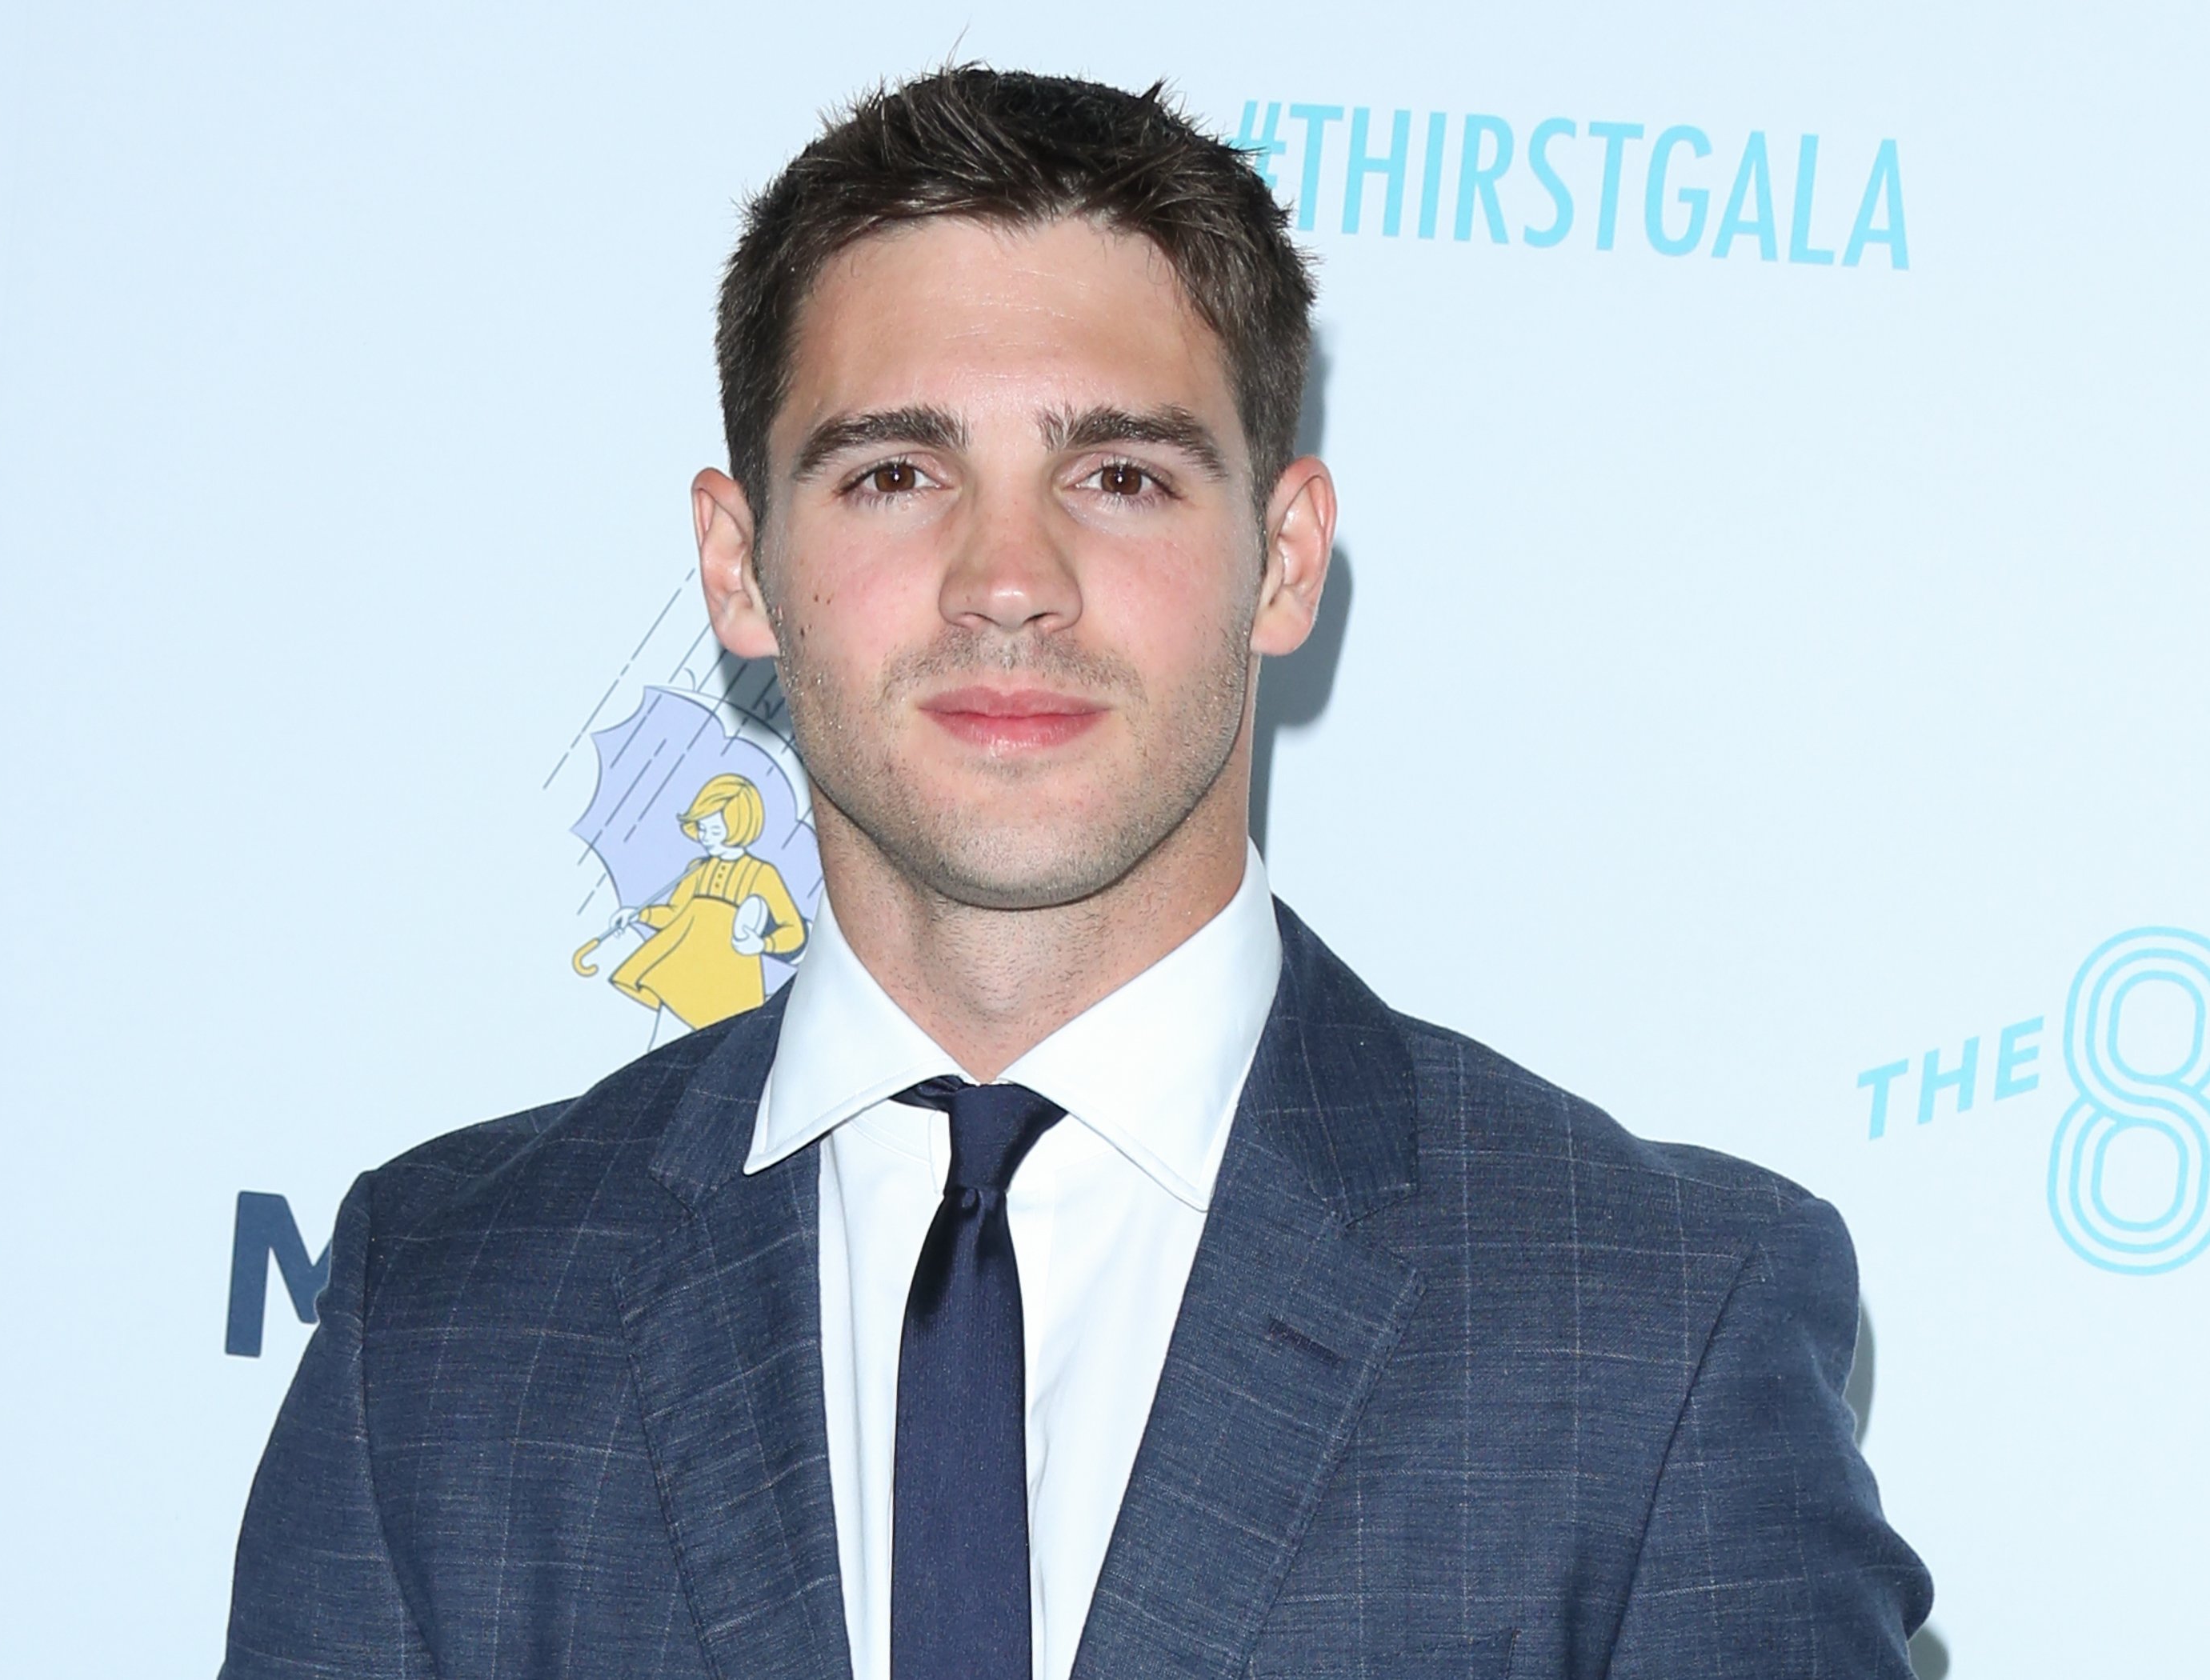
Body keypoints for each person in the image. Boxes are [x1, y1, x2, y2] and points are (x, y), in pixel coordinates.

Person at [223, 67, 1931, 1680]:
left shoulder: (1652, 1329)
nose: (1008, 579)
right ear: (738, 572)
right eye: (897, 472)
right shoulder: (440, 1323)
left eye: (1117, 474)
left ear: (1286, 559)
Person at [598, 772, 807, 1031]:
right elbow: (674, 915)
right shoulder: (697, 868)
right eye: (703, 829)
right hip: (679, 970)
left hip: (728, 981)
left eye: (716, 830)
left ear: (740, 826)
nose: (707, 837)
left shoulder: (761, 874)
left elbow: (794, 931)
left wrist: (763, 943)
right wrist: (638, 915)